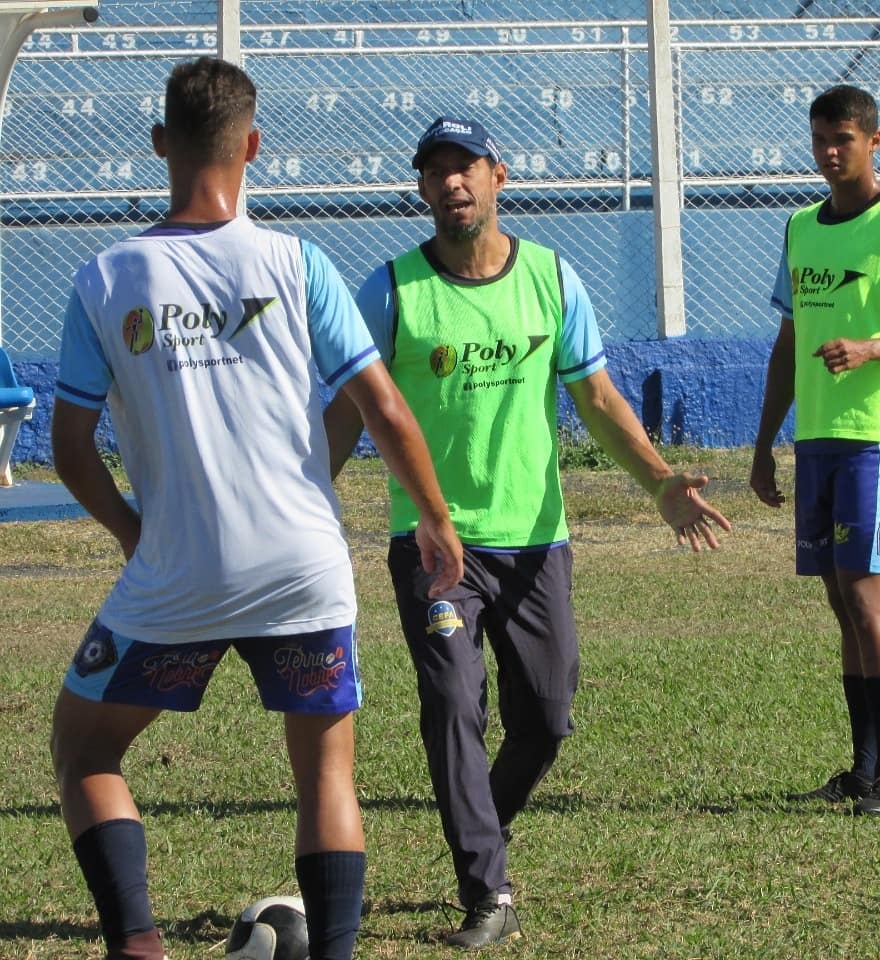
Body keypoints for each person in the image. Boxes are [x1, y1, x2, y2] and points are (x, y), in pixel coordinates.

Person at [48, 58, 462, 960]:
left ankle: (138, 945)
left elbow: (70, 448)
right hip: (302, 568)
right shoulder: (298, 262)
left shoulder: (106, 278)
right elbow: (385, 409)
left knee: (84, 751)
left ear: (160, 143)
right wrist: (434, 516)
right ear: (255, 146)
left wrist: (134, 534)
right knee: (326, 775)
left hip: (179, 572)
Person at [323, 114, 732, 948]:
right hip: (434, 543)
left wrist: (660, 484)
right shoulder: (392, 290)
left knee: (545, 718)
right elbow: (348, 409)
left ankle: (484, 827)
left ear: (498, 176)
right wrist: (301, 501)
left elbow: (599, 399)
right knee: (452, 703)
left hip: (537, 541)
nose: (453, 182)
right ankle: (488, 890)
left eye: (467, 166)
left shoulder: (549, 276)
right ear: (421, 187)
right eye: (437, 171)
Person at [751, 85, 880, 816]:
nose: (829, 152)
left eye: (842, 138)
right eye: (819, 139)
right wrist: (765, 443)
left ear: (873, 141)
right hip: (817, 441)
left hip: (878, 438)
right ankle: (864, 768)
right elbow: (788, 343)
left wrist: (873, 347)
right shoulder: (801, 227)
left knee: (868, 597)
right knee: (842, 601)